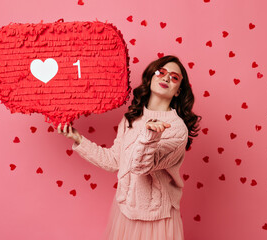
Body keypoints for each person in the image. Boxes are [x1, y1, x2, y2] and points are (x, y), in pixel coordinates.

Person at [57, 55, 201, 240]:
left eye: (174, 77)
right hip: (125, 209)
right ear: (150, 79)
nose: (166, 78)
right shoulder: (131, 118)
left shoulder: (177, 129)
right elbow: (115, 161)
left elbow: (141, 166)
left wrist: (150, 136)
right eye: (161, 72)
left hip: (156, 217)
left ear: (178, 91)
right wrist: (77, 138)